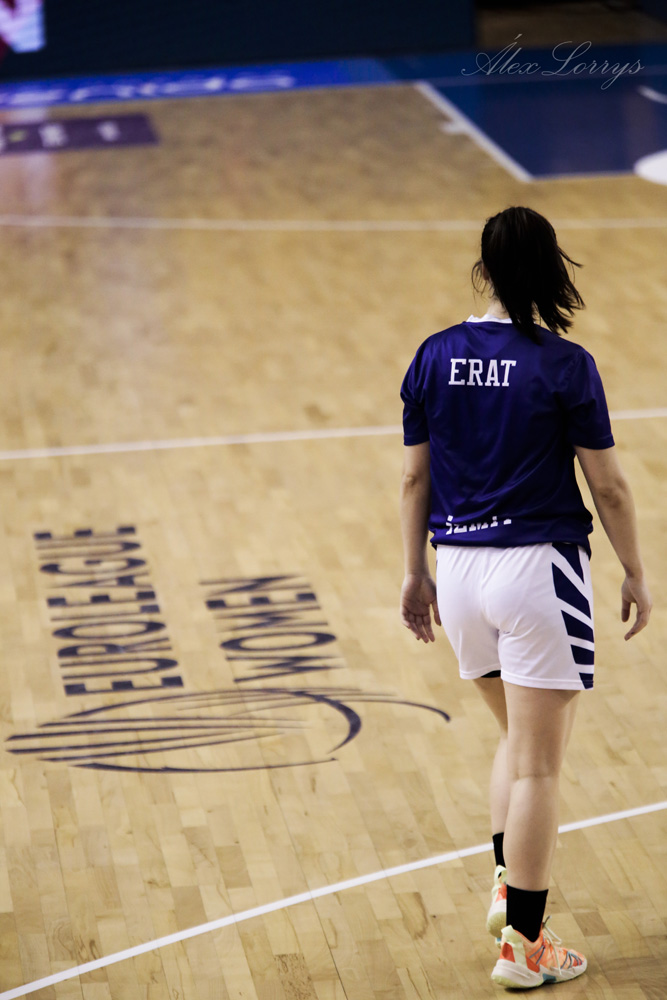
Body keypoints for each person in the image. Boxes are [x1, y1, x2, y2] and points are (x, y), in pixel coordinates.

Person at [399, 206, 652, 990]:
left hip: (458, 573)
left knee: (515, 742)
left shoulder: (433, 355)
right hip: (537, 572)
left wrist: (413, 571)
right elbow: (608, 486)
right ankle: (522, 946)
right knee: (540, 767)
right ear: (549, 269)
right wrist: (635, 571)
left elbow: (413, 477)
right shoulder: (564, 364)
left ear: (483, 269)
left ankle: (508, 890)